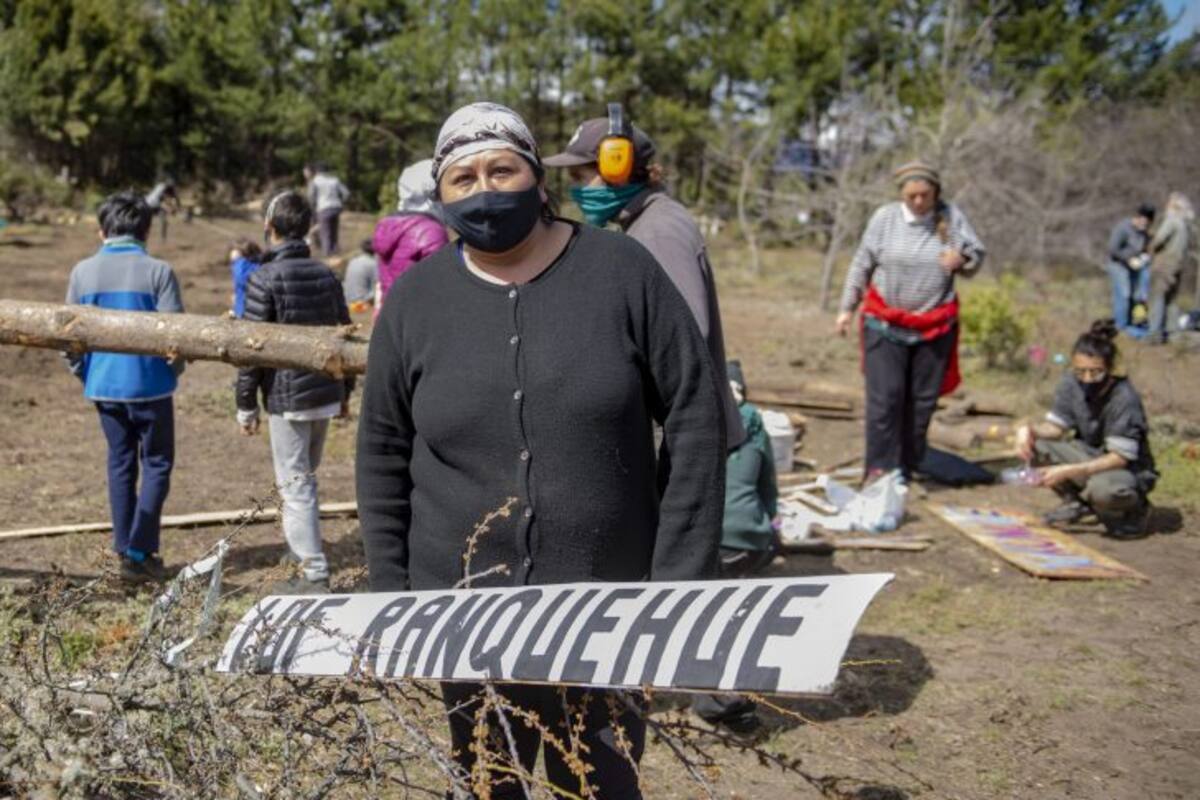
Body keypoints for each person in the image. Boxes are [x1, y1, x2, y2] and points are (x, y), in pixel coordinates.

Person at [356, 102, 725, 799]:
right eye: (463, 178)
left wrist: (679, 582)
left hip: (608, 612)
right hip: (463, 616)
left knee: (601, 784)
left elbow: (696, 417)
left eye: (503, 169)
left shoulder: (622, 270)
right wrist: (391, 593)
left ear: (537, 176)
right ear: (440, 195)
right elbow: (381, 449)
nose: (484, 190)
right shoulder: (416, 301)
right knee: (491, 781)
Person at [544, 113, 745, 450]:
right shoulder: (644, 224)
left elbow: (683, 339)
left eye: (581, 177)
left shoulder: (657, 232)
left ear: (616, 169)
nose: (575, 189)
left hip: (680, 440)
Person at [236, 191, 355, 594]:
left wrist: (245, 404)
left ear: (269, 227)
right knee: (304, 477)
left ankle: (313, 570)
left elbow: (251, 348)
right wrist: (345, 392)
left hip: (289, 399)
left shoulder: (263, 277)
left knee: (296, 483)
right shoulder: (326, 274)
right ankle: (297, 550)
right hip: (325, 391)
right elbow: (344, 334)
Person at [836, 161, 985, 481]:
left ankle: (907, 464)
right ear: (901, 194)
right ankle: (879, 470)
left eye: (924, 195)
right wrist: (847, 308)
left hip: (934, 327)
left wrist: (962, 259)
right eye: (911, 196)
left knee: (921, 404)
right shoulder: (885, 218)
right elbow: (862, 263)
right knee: (885, 400)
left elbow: (976, 255)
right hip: (884, 323)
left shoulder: (951, 217)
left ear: (935, 193)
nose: (918, 202)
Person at [65, 192, 185, 584]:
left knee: (119, 463)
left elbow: (68, 337)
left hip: (104, 388)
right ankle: (139, 552)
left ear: (102, 231)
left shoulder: (82, 272)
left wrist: (87, 374)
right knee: (157, 463)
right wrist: (172, 372)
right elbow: (177, 335)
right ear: (146, 230)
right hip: (152, 387)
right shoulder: (159, 271)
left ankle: (123, 547)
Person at [690, 360, 781, 734]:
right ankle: (733, 697)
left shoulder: (691, 415)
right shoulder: (754, 423)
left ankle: (719, 704)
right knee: (731, 614)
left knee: (705, 618)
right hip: (749, 539)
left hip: (704, 534)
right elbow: (768, 488)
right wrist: (769, 528)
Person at [1015, 320, 1156, 539]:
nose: (1088, 379)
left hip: (1125, 469)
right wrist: (1028, 430)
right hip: (1088, 455)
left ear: (1110, 368)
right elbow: (1056, 427)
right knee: (1037, 447)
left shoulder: (1124, 398)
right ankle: (1078, 502)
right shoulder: (1071, 383)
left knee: (1103, 491)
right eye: (1081, 372)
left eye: (1096, 372)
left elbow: (1119, 458)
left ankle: (1135, 509)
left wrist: (1068, 471)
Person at [371, 158, 448, 319]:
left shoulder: (388, 225)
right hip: (419, 315)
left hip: (390, 312)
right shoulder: (430, 231)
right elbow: (439, 283)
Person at [1146, 193, 1194, 344]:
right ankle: (1173, 333)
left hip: (1164, 264)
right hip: (1178, 265)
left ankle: (1154, 334)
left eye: (1169, 203)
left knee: (1157, 297)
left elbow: (1159, 239)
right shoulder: (1185, 224)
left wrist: (1149, 247)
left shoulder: (1172, 221)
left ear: (1175, 206)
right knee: (1171, 299)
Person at [1106, 204, 1155, 338]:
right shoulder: (1123, 228)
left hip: (1135, 267)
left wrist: (1144, 256)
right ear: (1138, 217)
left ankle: (1130, 322)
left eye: (1148, 223)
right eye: (1144, 221)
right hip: (1118, 265)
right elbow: (1112, 249)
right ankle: (1120, 326)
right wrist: (1128, 259)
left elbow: (1144, 247)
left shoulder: (1144, 232)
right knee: (1124, 294)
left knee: (1136, 295)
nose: (1145, 225)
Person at [304, 163, 350, 256]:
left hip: (323, 207)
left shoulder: (315, 181)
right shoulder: (334, 180)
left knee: (325, 232)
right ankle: (335, 250)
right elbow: (346, 193)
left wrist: (313, 207)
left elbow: (311, 196)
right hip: (336, 207)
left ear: (317, 171)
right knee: (334, 230)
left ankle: (328, 253)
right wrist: (341, 201)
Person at [228, 237, 263, 319]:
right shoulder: (259, 265)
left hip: (245, 312)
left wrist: (237, 261)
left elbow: (243, 279)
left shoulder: (242, 267)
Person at [342, 238, 378, 313]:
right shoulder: (373, 264)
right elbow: (378, 284)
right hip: (362, 303)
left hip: (348, 300)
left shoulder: (353, 261)